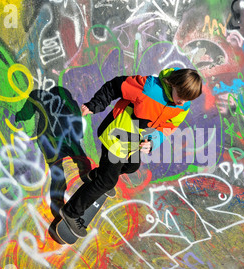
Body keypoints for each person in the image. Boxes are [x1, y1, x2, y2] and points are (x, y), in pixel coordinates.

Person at [59, 68, 203, 238]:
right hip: (115, 133)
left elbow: (168, 126)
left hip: (134, 139)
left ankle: (98, 174)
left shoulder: (183, 104)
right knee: (107, 182)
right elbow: (115, 85)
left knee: (132, 166)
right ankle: (71, 212)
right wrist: (95, 104)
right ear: (173, 84)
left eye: (187, 100)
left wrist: (154, 141)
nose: (182, 102)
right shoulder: (148, 88)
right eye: (181, 97)